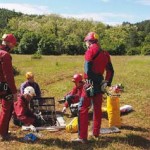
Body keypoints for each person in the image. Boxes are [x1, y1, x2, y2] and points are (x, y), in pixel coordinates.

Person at [73, 32, 114, 143]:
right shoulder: (105, 54)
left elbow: (88, 72)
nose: (86, 44)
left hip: (89, 85)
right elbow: (110, 71)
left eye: (86, 42)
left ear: (88, 41)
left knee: (82, 109)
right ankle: (96, 133)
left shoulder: (90, 51)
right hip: (99, 86)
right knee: (97, 109)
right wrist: (105, 83)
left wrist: (96, 82)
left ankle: (82, 137)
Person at [0, 33, 18, 141]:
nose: (12, 47)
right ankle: (3, 133)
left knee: (4, 108)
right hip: (4, 86)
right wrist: (14, 91)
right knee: (7, 109)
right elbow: (8, 76)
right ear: (9, 43)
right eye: (13, 45)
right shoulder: (5, 55)